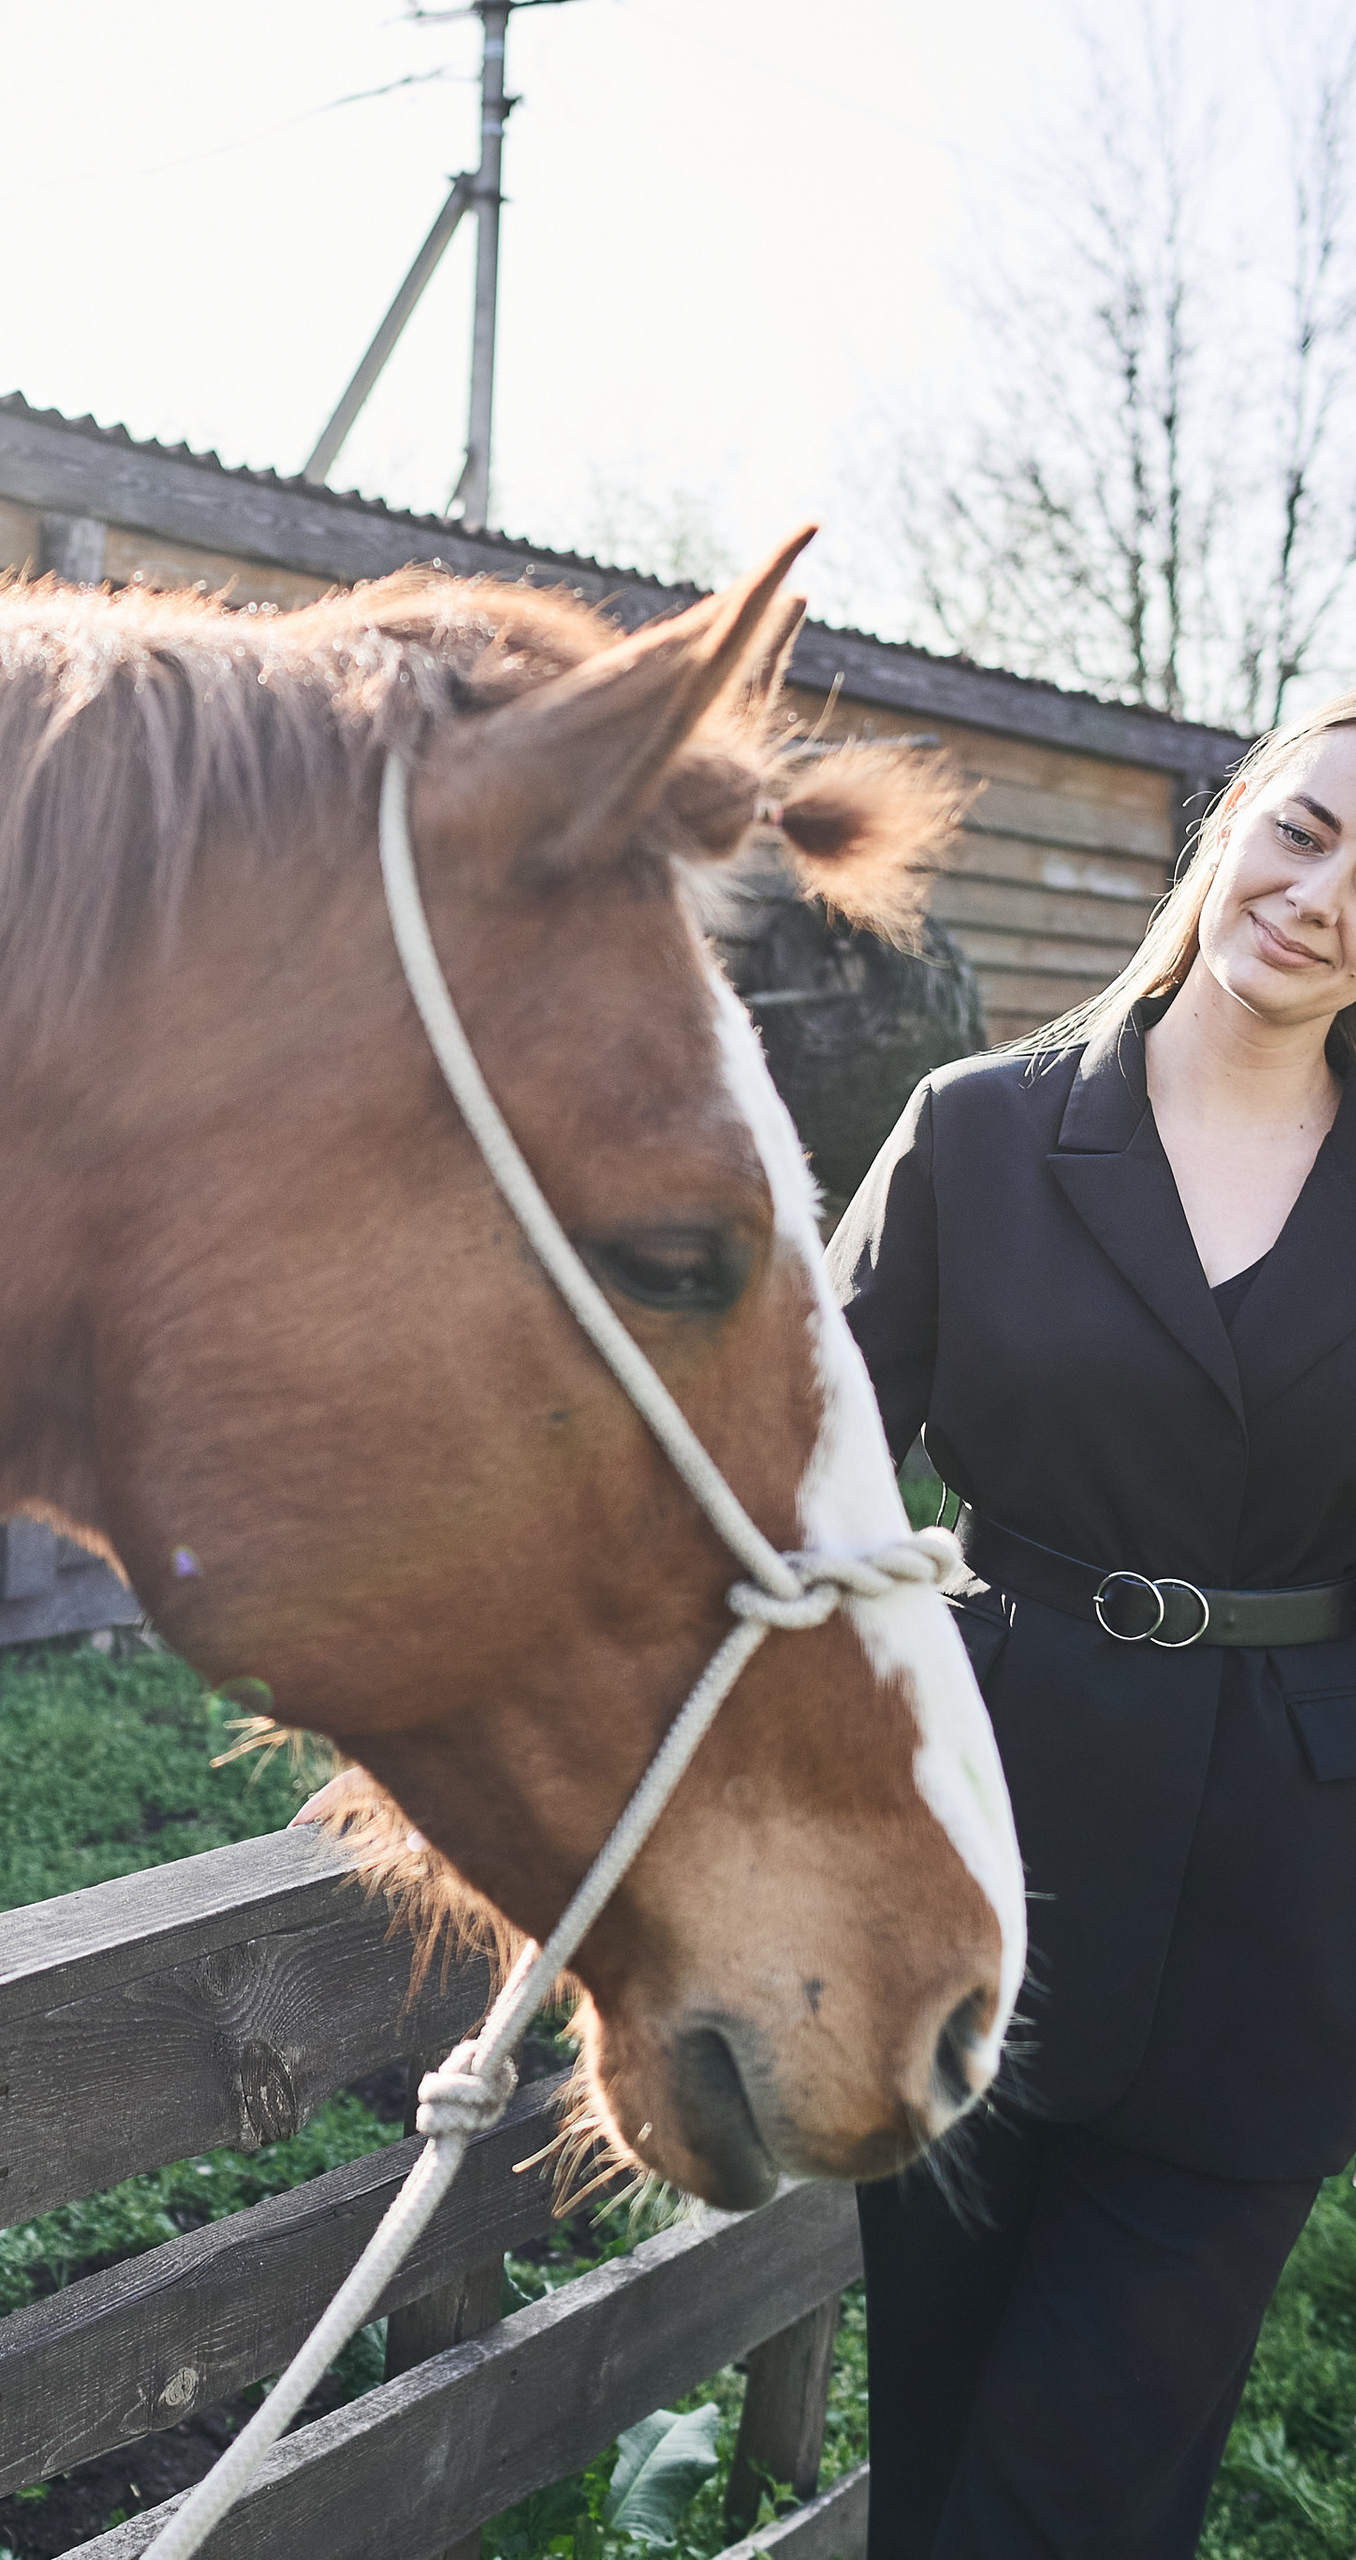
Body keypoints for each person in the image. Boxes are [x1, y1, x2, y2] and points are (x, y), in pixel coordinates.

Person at [827, 693, 1356, 2557]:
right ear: (1234, 827)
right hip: (981, 1854)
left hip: (1281, 1916)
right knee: (943, 2452)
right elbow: (792, 1484)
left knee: (1077, 2497)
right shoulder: (975, 1134)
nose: (1320, 893)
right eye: (1304, 829)